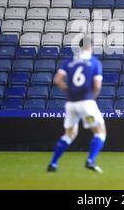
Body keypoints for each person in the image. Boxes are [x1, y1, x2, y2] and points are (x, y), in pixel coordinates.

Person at [47, 37, 106, 173]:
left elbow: (57, 80)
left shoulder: (69, 62)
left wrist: (68, 90)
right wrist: (91, 99)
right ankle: (90, 160)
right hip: (86, 103)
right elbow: (97, 87)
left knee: (69, 134)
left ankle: (53, 163)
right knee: (100, 132)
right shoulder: (94, 62)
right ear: (91, 47)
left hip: (71, 104)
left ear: (79, 48)